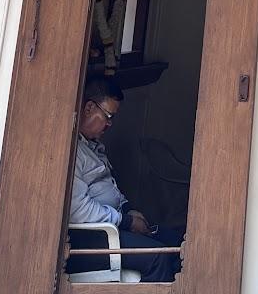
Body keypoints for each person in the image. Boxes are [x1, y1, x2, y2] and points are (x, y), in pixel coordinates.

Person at [68, 74, 184, 283]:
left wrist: (129, 209)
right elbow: (78, 211)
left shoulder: (92, 146)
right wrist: (127, 221)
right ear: (88, 108)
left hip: (114, 227)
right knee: (157, 257)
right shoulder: (72, 151)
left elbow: (109, 189)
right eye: (108, 116)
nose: (110, 124)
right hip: (92, 240)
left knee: (175, 242)